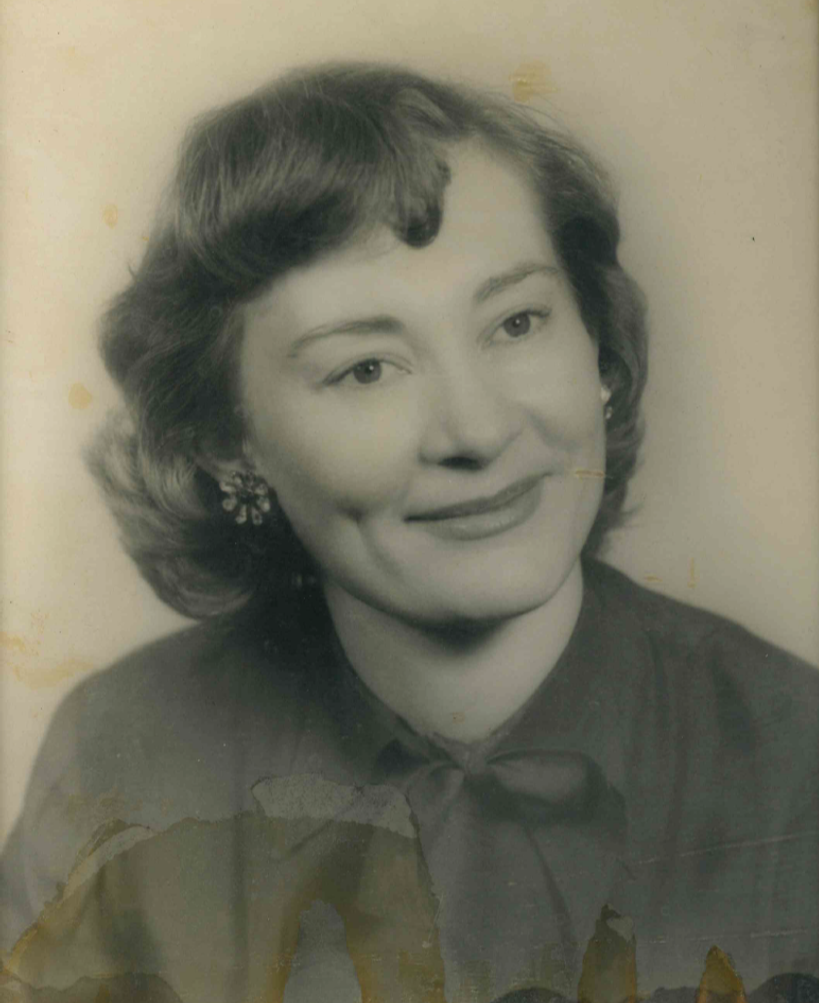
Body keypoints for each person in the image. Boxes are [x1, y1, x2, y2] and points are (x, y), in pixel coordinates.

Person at [0, 63, 816, 1003]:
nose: (476, 430)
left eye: (516, 322)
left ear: (598, 349)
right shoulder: (120, 749)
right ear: (229, 441)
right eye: (366, 369)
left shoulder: (795, 761)